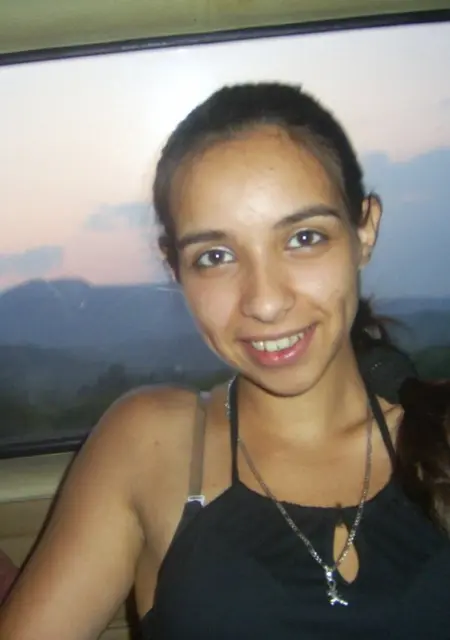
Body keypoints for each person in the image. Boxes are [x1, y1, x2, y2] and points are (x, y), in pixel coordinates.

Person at [1, 82, 449, 640]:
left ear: (365, 230)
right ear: (175, 269)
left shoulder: (438, 432)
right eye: (215, 256)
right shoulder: (153, 445)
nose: (265, 301)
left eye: (304, 237)